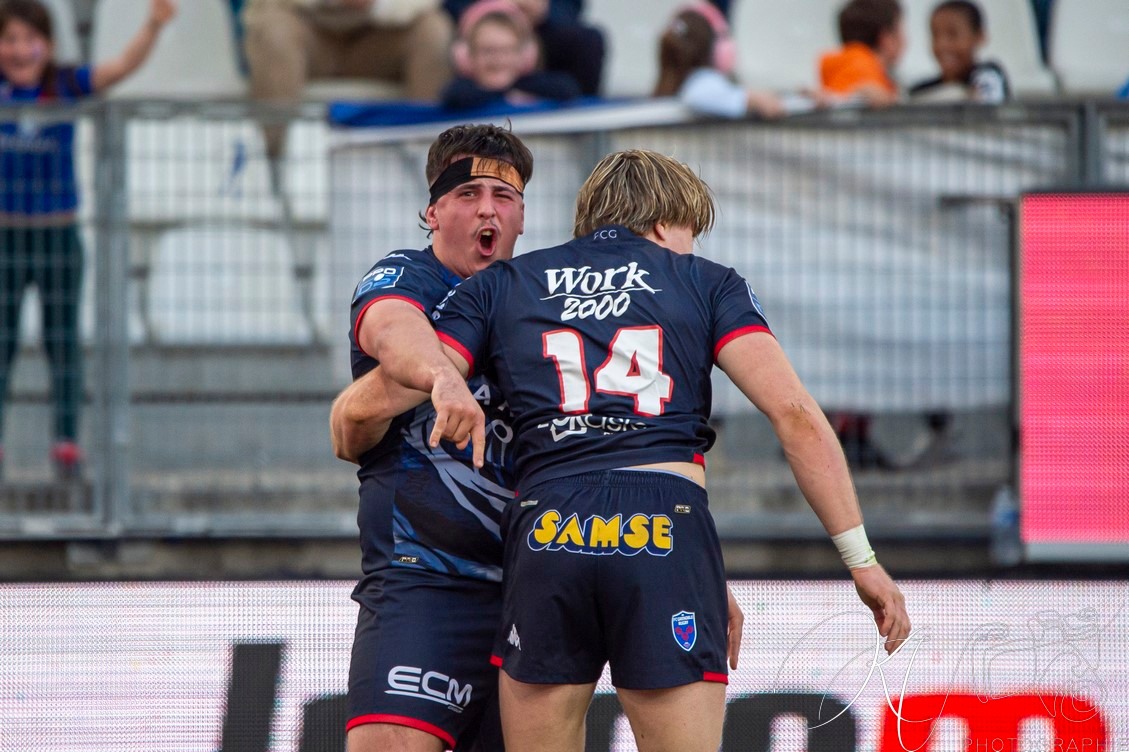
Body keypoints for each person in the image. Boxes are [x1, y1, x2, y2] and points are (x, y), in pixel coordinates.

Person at [388, 149, 912, 752]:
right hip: (666, 526)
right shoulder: (704, 281)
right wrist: (861, 561)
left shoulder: (503, 284)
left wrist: (352, 412)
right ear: (665, 225)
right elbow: (794, 415)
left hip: (546, 529)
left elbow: (421, 375)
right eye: (688, 232)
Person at [329, 123, 533, 752]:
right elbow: (393, 328)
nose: (487, 209)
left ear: (523, 218)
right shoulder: (405, 276)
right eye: (469, 193)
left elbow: (350, 423)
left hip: (533, 584)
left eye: (504, 197)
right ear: (433, 209)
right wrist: (443, 378)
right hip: (425, 578)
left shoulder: (538, 300)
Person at [0, 0, 176, 481]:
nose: (20, 50)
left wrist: (153, 27)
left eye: (29, 39)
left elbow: (119, 67)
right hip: (5, 238)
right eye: (9, 39)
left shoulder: (63, 84)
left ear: (49, 45)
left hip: (58, 235)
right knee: (2, 344)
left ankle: (65, 444)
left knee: (62, 344)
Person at [242, 0, 455, 161]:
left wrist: (376, 4)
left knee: (434, 31)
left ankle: (430, 165)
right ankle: (271, 161)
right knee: (273, 32)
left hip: (382, 34)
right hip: (305, 30)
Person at [653, 3, 786, 119]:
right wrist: (750, 99)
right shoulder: (701, 80)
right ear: (717, 49)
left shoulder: (672, 85)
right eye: (723, 36)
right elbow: (698, 95)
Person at [441, 0, 580, 111]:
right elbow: (454, 97)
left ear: (525, 56)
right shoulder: (462, 89)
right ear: (466, 57)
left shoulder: (530, 83)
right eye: (488, 51)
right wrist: (505, 95)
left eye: (507, 51)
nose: (498, 59)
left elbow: (566, 88)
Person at [909, 0, 1009, 103]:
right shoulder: (920, 91)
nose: (942, 45)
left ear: (979, 36)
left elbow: (987, 109)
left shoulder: (988, 76)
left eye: (953, 34)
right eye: (935, 35)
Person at [819, 0, 905, 107]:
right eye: (901, 30)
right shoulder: (867, 74)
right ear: (886, 38)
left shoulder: (840, 67)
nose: (905, 39)